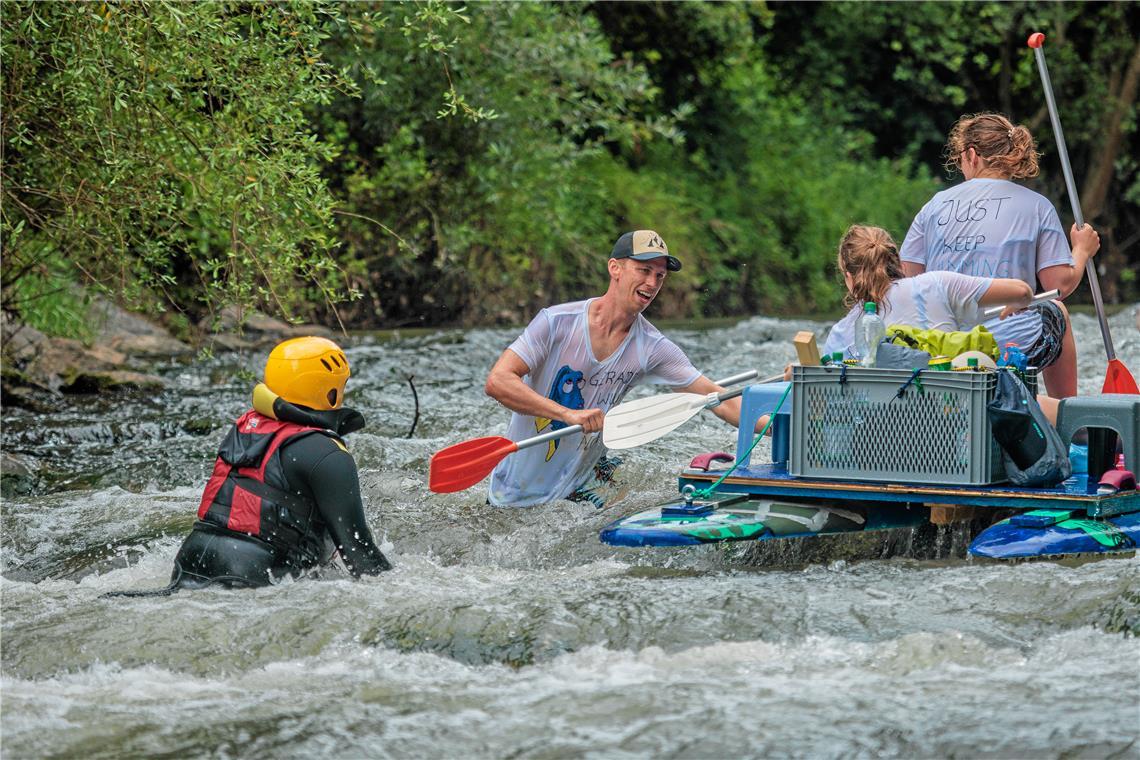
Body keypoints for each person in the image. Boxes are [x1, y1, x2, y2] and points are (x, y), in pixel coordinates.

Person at [484, 230, 749, 508]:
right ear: (615, 268)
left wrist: (779, 424)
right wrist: (567, 414)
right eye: (644, 270)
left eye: (660, 275)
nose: (652, 283)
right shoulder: (556, 322)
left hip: (582, 485)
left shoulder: (653, 346)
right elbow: (498, 381)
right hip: (513, 491)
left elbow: (716, 399)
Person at [897, 112, 1100, 398]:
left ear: (971, 155)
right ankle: (1066, 415)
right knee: (1057, 311)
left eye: (960, 158)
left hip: (938, 344)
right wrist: (1081, 250)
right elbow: (1059, 286)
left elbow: (907, 281)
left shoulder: (933, 206)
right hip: (1007, 343)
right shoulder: (1038, 206)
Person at [170, 336, 391, 589]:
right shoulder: (328, 455)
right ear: (329, 390)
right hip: (249, 572)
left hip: (188, 559)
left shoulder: (248, 429)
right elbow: (359, 556)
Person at [822, 224, 1060, 423]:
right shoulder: (937, 284)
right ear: (897, 263)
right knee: (1011, 388)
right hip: (956, 421)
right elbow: (1021, 290)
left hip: (886, 431)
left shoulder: (840, 333)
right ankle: (1083, 437)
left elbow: (827, 394)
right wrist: (1017, 303)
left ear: (849, 277)